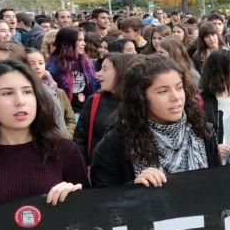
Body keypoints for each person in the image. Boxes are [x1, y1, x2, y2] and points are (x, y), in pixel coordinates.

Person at [90, 55, 221, 188]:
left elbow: (219, 187)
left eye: (179, 87)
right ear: (140, 97)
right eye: (163, 91)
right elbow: (102, 202)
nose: (176, 97)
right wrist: (134, 189)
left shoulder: (202, 131)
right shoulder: (115, 143)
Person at [0, 59, 88, 207]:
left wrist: (74, 197)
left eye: (27, 91)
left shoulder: (64, 150)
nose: (20, 101)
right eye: (7, 93)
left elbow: (89, 216)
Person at [72, 53, 135, 165]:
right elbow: (80, 139)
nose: (98, 74)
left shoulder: (138, 103)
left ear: (121, 72)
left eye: (105, 69)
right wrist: (84, 167)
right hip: (97, 173)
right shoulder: (94, 100)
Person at [46, 27, 99, 114]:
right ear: (68, 43)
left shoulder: (87, 63)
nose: (84, 44)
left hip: (86, 112)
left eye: (84, 40)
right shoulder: (53, 66)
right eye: (80, 40)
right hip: (66, 114)